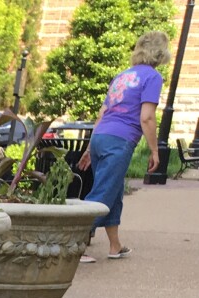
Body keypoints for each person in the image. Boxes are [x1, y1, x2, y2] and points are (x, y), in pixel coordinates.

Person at [78, 30, 171, 263]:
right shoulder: (152, 77)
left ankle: (115, 245)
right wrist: (154, 150)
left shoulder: (122, 76)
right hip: (119, 141)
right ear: (161, 53)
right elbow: (147, 118)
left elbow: (102, 114)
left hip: (101, 137)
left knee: (114, 191)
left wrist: (90, 149)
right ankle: (73, 244)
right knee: (102, 194)